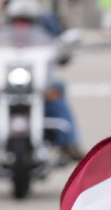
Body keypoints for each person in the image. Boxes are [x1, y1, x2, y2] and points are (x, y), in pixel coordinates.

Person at [2, 0, 82, 159]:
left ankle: (69, 142)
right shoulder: (4, 25)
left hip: (38, 80)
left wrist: (63, 53)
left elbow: (61, 45)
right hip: (6, 80)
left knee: (57, 90)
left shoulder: (47, 20)